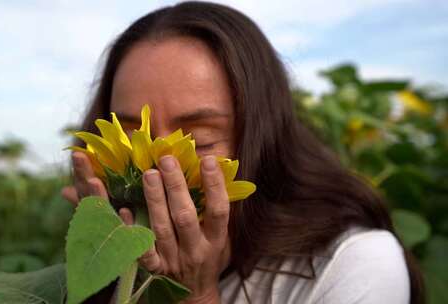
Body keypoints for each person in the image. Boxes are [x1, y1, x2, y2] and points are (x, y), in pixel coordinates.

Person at [61, 2, 423, 303]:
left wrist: (195, 295)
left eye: (197, 141)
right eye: (129, 137)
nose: (155, 166)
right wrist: (101, 254)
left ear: (261, 137)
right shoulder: (100, 269)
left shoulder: (351, 263)